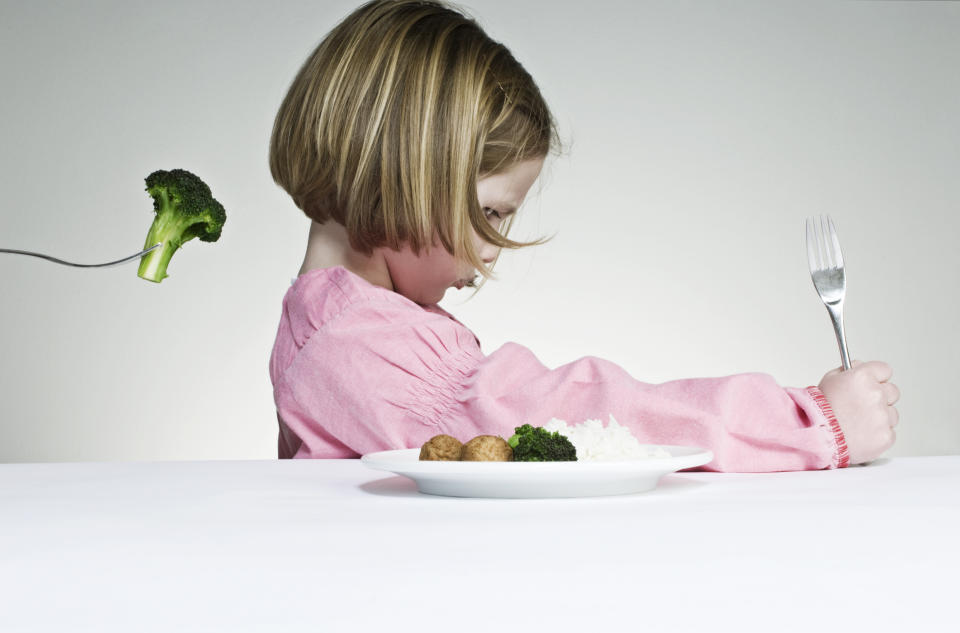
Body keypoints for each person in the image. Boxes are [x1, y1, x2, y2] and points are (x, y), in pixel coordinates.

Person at [267, 0, 900, 471]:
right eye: (488, 214)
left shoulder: (335, 324)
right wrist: (813, 422)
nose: (490, 254)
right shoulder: (355, 340)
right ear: (397, 171)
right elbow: (573, 415)